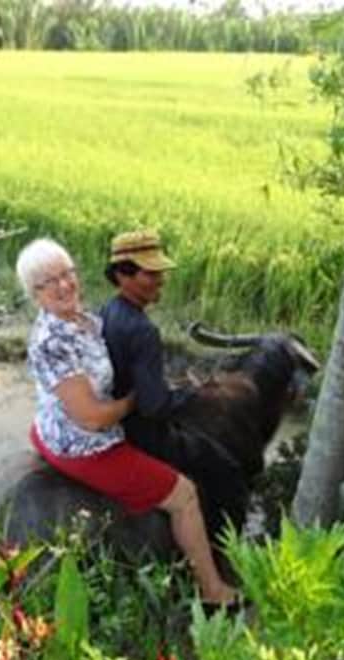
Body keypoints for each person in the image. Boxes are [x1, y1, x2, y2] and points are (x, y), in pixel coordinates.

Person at [17, 238, 238, 608]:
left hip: (51, 427)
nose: (64, 285)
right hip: (86, 442)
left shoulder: (85, 317)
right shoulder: (52, 341)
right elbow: (91, 417)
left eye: (67, 274)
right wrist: (133, 400)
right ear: (34, 293)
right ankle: (213, 589)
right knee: (184, 494)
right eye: (48, 282)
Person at [99, 229, 250, 553]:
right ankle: (223, 552)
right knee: (227, 469)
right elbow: (154, 407)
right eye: (150, 273)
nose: (160, 281)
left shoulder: (106, 312)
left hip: (114, 423)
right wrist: (194, 394)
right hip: (142, 433)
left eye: (160, 273)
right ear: (123, 274)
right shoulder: (142, 330)